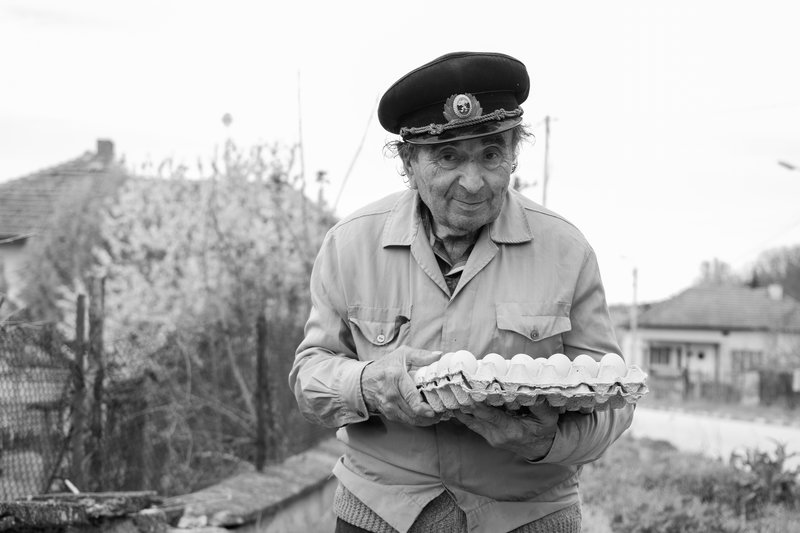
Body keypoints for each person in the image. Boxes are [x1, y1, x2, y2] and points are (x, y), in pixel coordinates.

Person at [289, 51, 634, 533]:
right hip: (379, 514)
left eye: (491, 154)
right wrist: (369, 384)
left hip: (528, 517)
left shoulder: (566, 250)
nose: (473, 183)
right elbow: (310, 377)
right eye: (448, 156)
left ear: (513, 153)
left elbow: (614, 400)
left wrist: (545, 442)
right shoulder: (349, 245)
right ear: (409, 162)